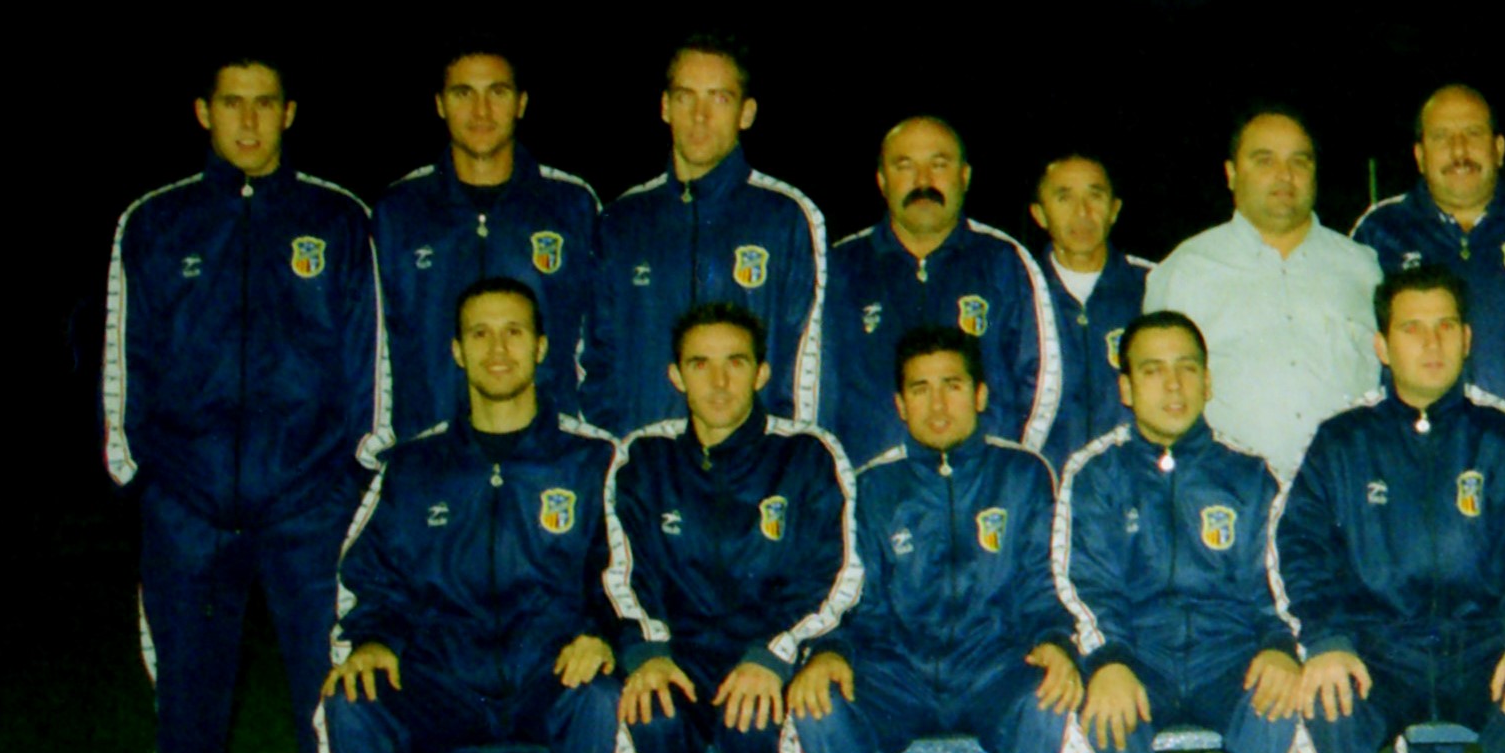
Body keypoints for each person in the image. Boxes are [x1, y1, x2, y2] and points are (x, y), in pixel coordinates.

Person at [109, 53, 390, 753]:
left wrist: (351, 477)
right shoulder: (156, 221)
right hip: (188, 507)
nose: (249, 121)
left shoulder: (335, 219)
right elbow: (121, 356)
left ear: (289, 112)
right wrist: (145, 477)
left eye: (265, 104)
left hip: (309, 505)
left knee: (332, 698)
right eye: (232, 104)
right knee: (187, 700)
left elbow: (369, 362)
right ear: (203, 111)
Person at [314, 278, 630, 753]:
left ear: (542, 347)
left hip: (549, 673)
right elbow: (367, 580)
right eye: (479, 333)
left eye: (514, 331)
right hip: (444, 680)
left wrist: (602, 633)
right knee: (350, 700)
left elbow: (628, 575)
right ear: (456, 351)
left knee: (601, 699)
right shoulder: (412, 467)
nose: (498, 349)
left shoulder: (592, 461)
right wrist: (371, 639)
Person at [785, 327, 1088, 753]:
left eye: (952, 385)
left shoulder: (1023, 474)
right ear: (899, 404)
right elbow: (848, 593)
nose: (938, 403)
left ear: (980, 394)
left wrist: (1055, 641)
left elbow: (1047, 584)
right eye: (920, 389)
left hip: (995, 665)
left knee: (1051, 699)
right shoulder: (872, 486)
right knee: (816, 703)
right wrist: (829, 649)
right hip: (895, 670)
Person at [604, 302, 859, 753]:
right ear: (675, 375)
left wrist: (773, 654)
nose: (718, 382)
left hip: (769, 653)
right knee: (650, 714)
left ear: (762, 372)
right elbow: (619, 570)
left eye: (735, 363)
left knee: (752, 725)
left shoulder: (807, 454)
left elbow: (836, 573)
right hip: (678, 655)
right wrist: (648, 652)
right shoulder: (644, 457)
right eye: (700, 364)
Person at [1278, 265, 1505, 753]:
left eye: (1445, 326)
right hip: (1377, 649)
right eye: (1412, 328)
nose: (1432, 343)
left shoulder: (1504, 433)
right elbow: (1299, 547)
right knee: (1326, 701)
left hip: (1482, 643)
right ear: (1382, 347)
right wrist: (1327, 640)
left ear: (1467, 339)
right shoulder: (1341, 439)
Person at [1057, 312, 1306, 753]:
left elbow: (1283, 585)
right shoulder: (1095, 472)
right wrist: (1108, 659)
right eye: (1152, 370)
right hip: (1137, 654)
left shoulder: (1252, 475)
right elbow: (1085, 584)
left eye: (1187, 368)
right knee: (1101, 709)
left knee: (1285, 704)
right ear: (1126, 388)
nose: (1173, 385)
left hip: (1231, 658)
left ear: (1207, 381)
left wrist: (1281, 647)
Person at [590, 34, 828, 434]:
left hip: (755, 461)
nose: (699, 116)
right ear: (665, 106)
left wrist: (787, 453)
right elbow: (595, 358)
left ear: (746, 113)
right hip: (646, 462)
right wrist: (621, 449)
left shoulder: (786, 217)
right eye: (686, 97)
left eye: (718, 98)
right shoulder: (622, 221)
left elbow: (809, 361)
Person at [375, 41, 603, 429]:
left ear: (521, 103)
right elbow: (378, 345)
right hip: (431, 444)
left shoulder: (572, 205)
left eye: (497, 92)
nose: (481, 111)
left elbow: (598, 339)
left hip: (547, 447)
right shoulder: (398, 211)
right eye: (463, 93)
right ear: (440, 104)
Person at [1144, 108, 1382, 477]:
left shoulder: (1362, 269)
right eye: (1264, 160)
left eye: (1299, 161)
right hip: (1226, 495)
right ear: (1231, 174)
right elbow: (1153, 403)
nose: (1284, 175)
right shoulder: (1183, 273)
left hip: (1346, 488)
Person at [821, 116, 1063, 464]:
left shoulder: (1006, 262)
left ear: (965, 176)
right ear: (882, 180)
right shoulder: (839, 269)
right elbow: (819, 390)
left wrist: (1007, 468)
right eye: (905, 166)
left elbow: (1042, 383)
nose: (923, 181)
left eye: (939, 165)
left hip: (986, 486)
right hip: (871, 485)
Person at [1350, 85, 1505, 431]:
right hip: (1416, 447)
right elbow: (1355, 350)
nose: (1459, 150)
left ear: (1499, 149)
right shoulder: (1380, 232)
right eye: (1441, 137)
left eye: (1473, 133)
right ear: (1420, 156)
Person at [1031, 154, 1156, 466]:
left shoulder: (1153, 286)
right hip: (1041, 479)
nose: (1082, 212)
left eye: (1095, 196)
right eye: (1064, 198)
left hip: (1129, 477)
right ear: (1040, 214)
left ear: (1114, 209)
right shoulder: (1019, 290)